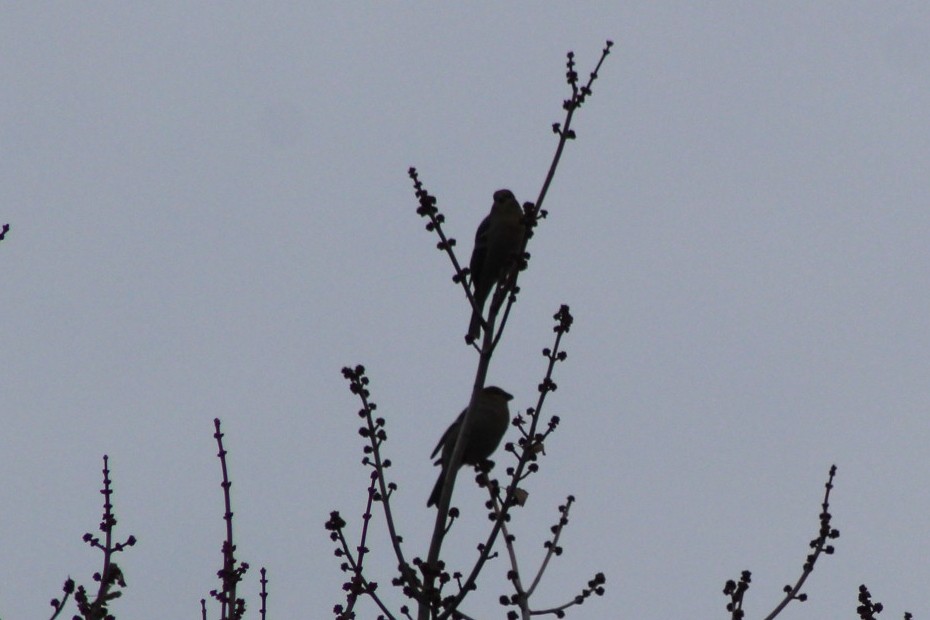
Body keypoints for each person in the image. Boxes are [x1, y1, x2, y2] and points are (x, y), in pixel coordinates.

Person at [427, 386, 513, 507]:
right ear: (486, 395)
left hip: (475, 454)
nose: (506, 398)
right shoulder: (477, 406)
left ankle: (440, 498)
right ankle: (439, 498)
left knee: (449, 477)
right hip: (454, 446)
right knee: (448, 473)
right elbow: (454, 427)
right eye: (499, 394)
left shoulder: (504, 417)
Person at [467, 190, 525, 341]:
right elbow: (479, 256)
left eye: (505, 198)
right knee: (480, 298)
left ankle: (476, 325)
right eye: (496, 200)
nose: (500, 202)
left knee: (488, 302)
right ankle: (475, 326)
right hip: (485, 268)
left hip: (505, 269)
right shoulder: (491, 222)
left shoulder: (522, 221)